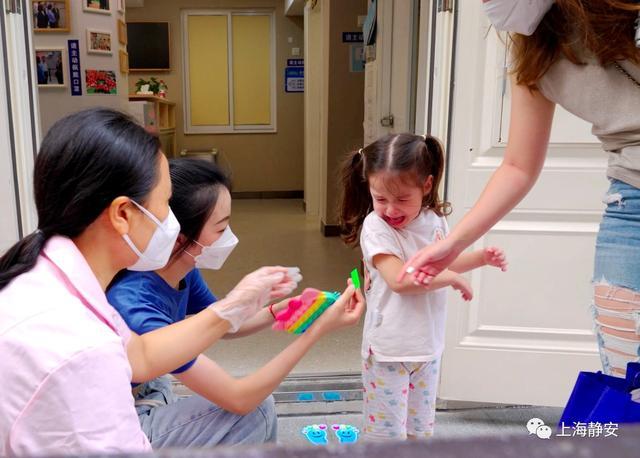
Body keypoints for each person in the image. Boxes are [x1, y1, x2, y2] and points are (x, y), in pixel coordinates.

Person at [0, 108, 312, 455]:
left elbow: (143, 354)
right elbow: (237, 397)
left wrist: (241, 307)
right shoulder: (86, 347)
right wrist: (313, 333)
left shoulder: (55, 277)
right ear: (123, 214)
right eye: (165, 203)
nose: (171, 221)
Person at [401, 0, 640, 378]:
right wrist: (454, 242)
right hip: (631, 202)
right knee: (628, 381)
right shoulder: (534, 49)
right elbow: (517, 166)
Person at [107, 158, 365, 448]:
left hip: (152, 386)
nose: (228, 238)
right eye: (220, 229)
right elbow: (240, 398)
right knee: (256, 412)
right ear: (180, 238)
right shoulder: (136, 302)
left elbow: (223, 325)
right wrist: (318, 331)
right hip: (121, 422)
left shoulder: (181, 269)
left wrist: (276, 310)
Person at [338, 133, 507, 441]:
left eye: (402, 199)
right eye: (380, 199)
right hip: (389, 351)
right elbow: (399, 280)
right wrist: (451, 279)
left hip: (427, 348)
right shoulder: (376, 228)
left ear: (426, 186)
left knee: (420, 432)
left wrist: (480, 258)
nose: (390, 209)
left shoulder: (434, 221)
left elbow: (443, 262)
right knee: (386, 437)